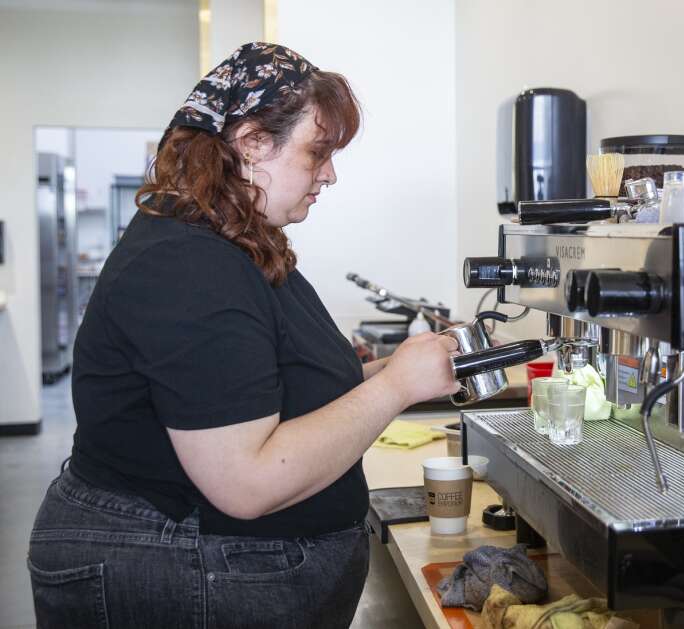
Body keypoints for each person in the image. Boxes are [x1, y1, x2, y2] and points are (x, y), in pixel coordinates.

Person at [27, 42, 460, 629]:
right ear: (253, 143)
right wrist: (394, 391)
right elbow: (246, 482)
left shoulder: (231, 241)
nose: (329, 174)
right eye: (318, 152)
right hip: (179, 570)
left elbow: (252, 394)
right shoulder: (187, 262)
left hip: (215, 564)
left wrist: (392, 372)